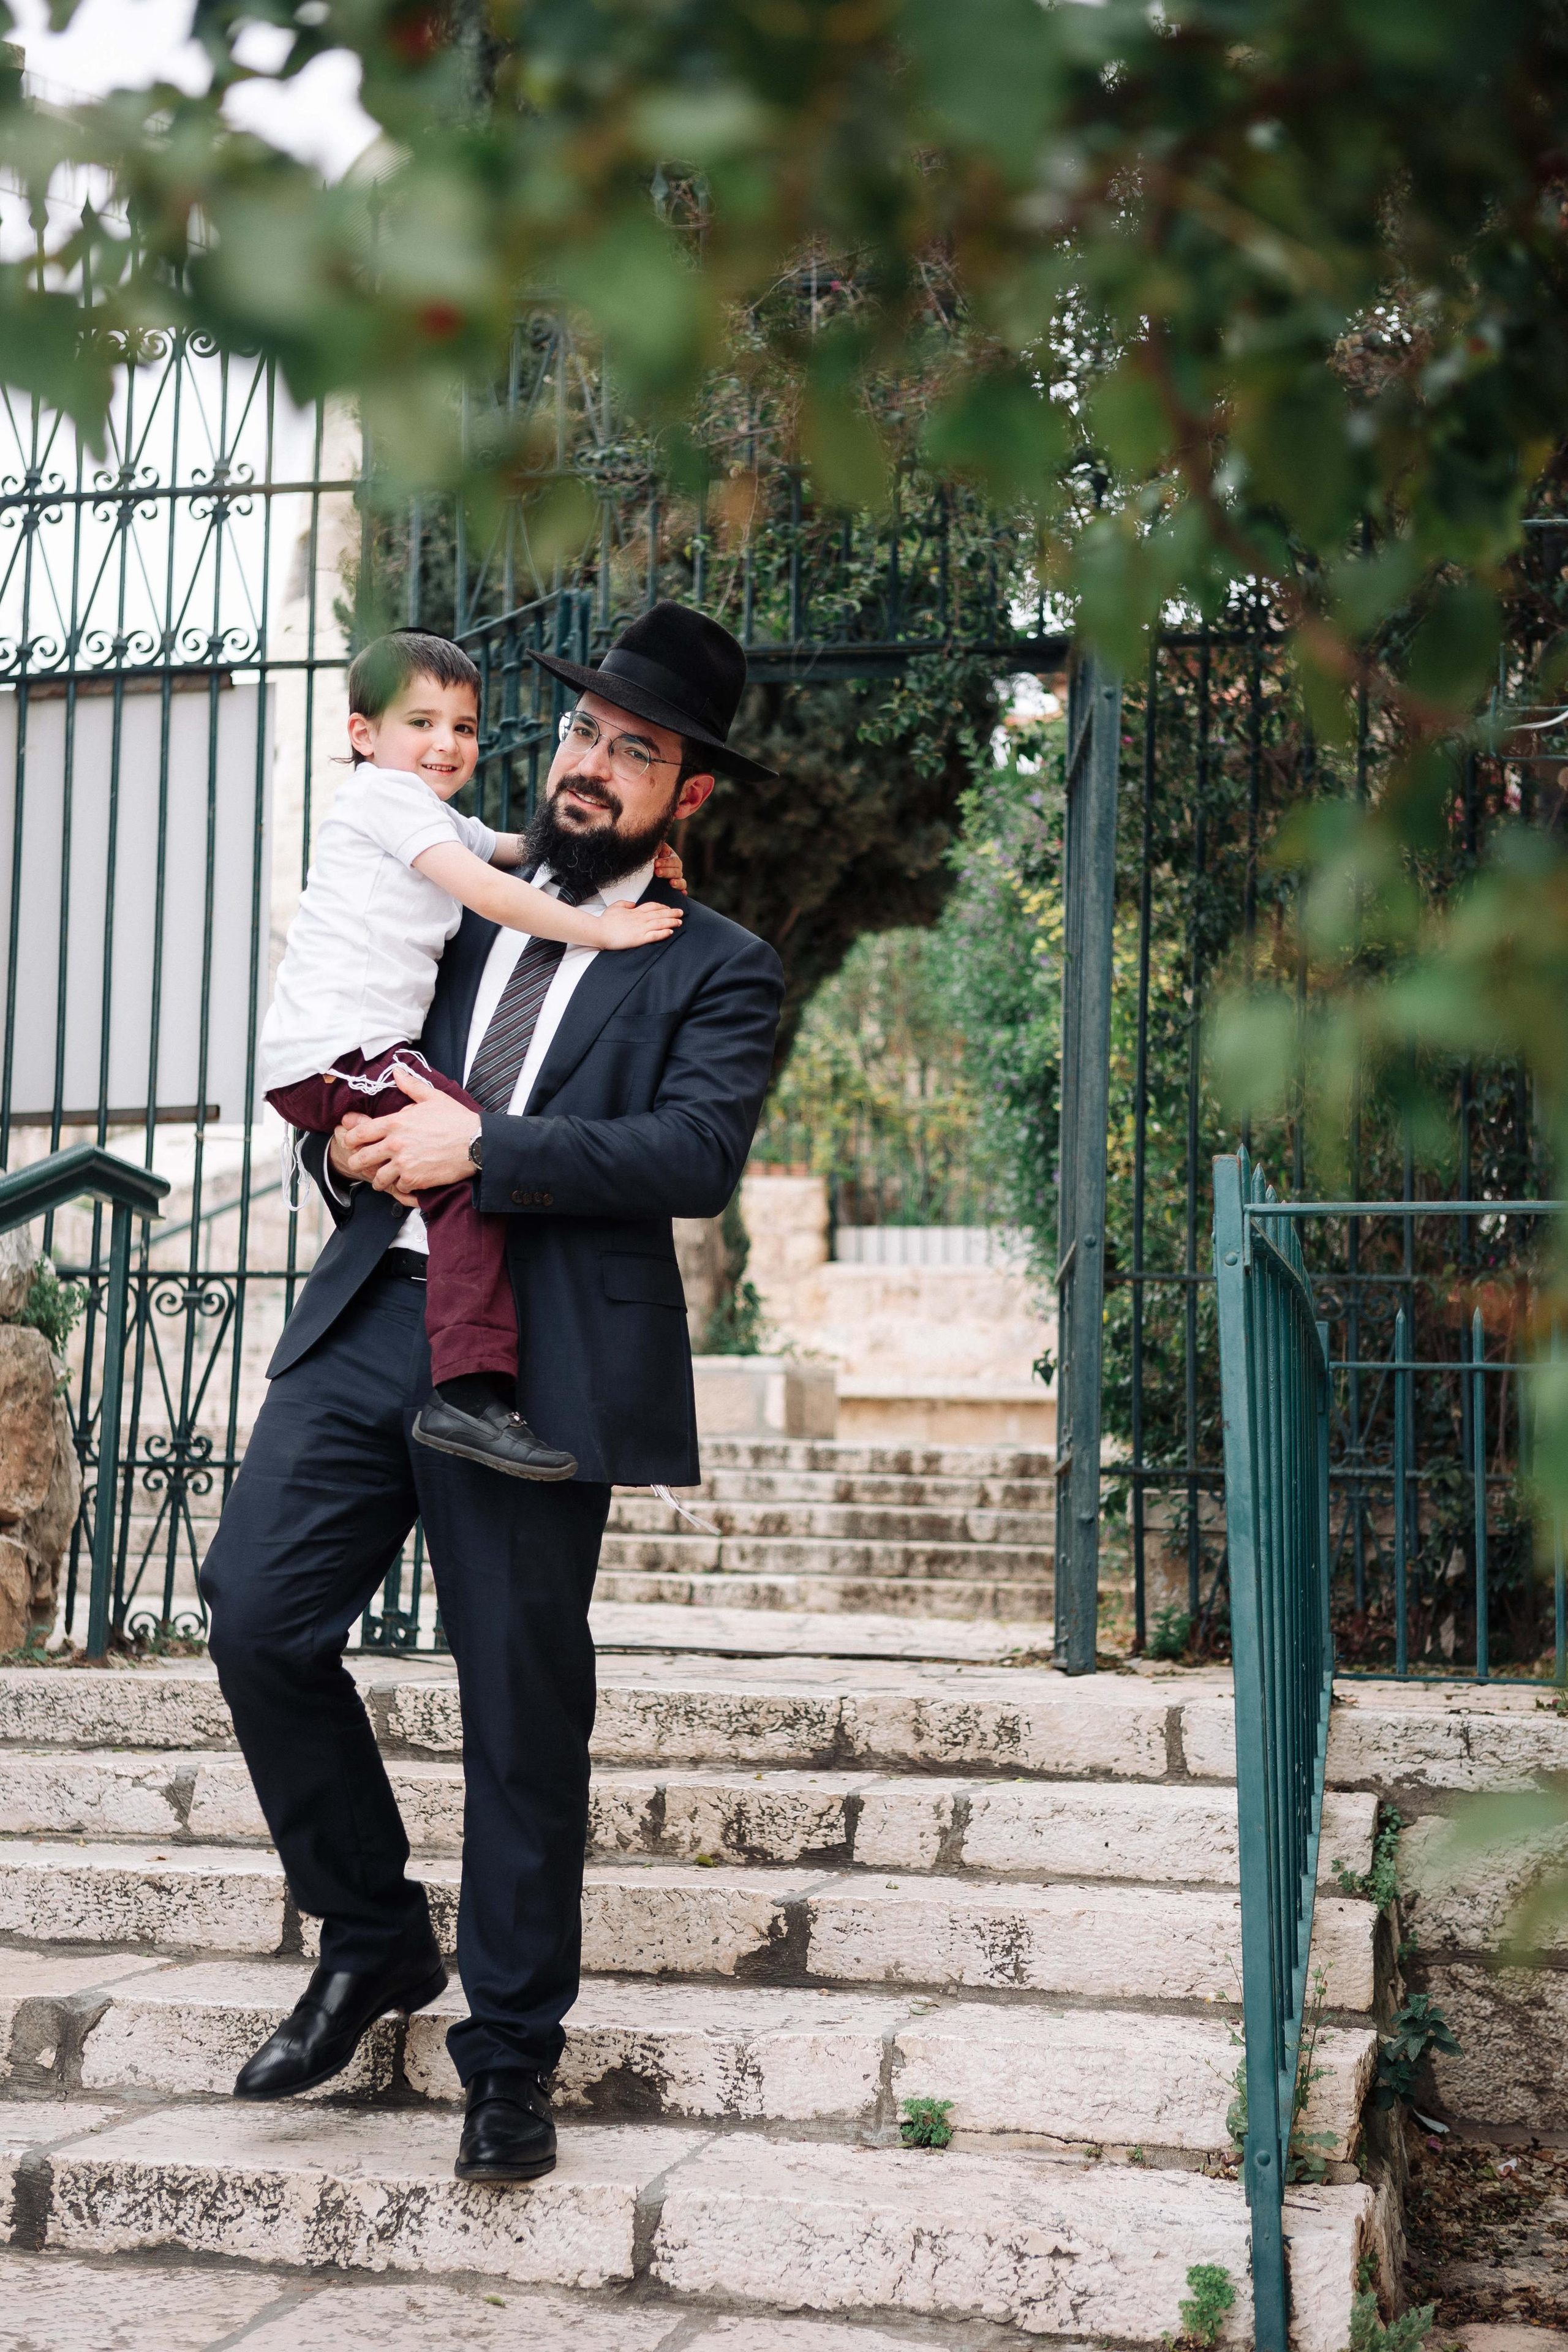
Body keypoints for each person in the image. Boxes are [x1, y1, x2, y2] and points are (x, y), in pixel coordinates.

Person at [198, 599, 783, 2185]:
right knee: (254, 1611)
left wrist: (489, 1150)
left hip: (547, 1356)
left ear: (689, 793)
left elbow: (693, 1155)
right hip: (380, 1300)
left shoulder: (715, 967)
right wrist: (347, 1142)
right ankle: (376, 1929)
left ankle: (510, 2054)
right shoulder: (455, 889)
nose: (591, 765)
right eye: (586, 732)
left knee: (521, 1703)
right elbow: (357, 1033)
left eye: (636, 751)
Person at [260, 628, 686, 1479]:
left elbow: (509, 851)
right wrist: (602, 929)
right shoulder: (383, 800)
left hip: (349, 1055)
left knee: (466, 1150)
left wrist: (621, 856)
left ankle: (464, 1382)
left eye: (464, 727)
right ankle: (468, 1391)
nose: (448, 744)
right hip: (345, 1052)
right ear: (363, 735)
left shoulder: (426, 812)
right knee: (470, 1162)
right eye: (422, 723)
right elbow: (490, 888)